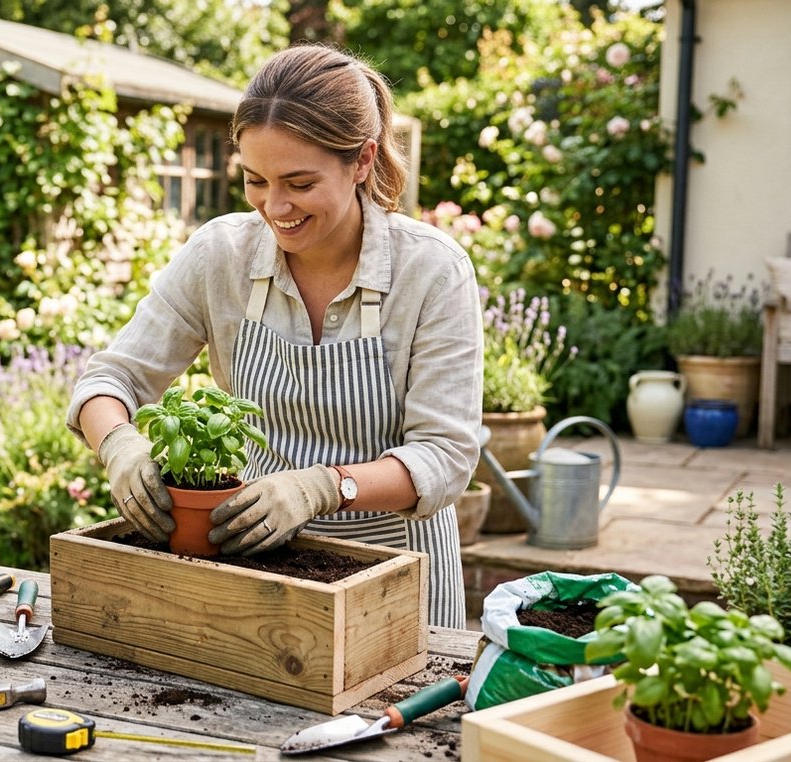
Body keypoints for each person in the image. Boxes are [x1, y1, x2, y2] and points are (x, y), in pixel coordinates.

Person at [66, 43, 481, 628]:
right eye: (255, 180)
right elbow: (112, 378)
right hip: (258, 569)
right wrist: (120, 447)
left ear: (362, 161)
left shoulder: (431, 271)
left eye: (300, 182)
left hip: (397, 579)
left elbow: (446, 455)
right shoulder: (222, 255)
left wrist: (323, 487)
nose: (275, 206)